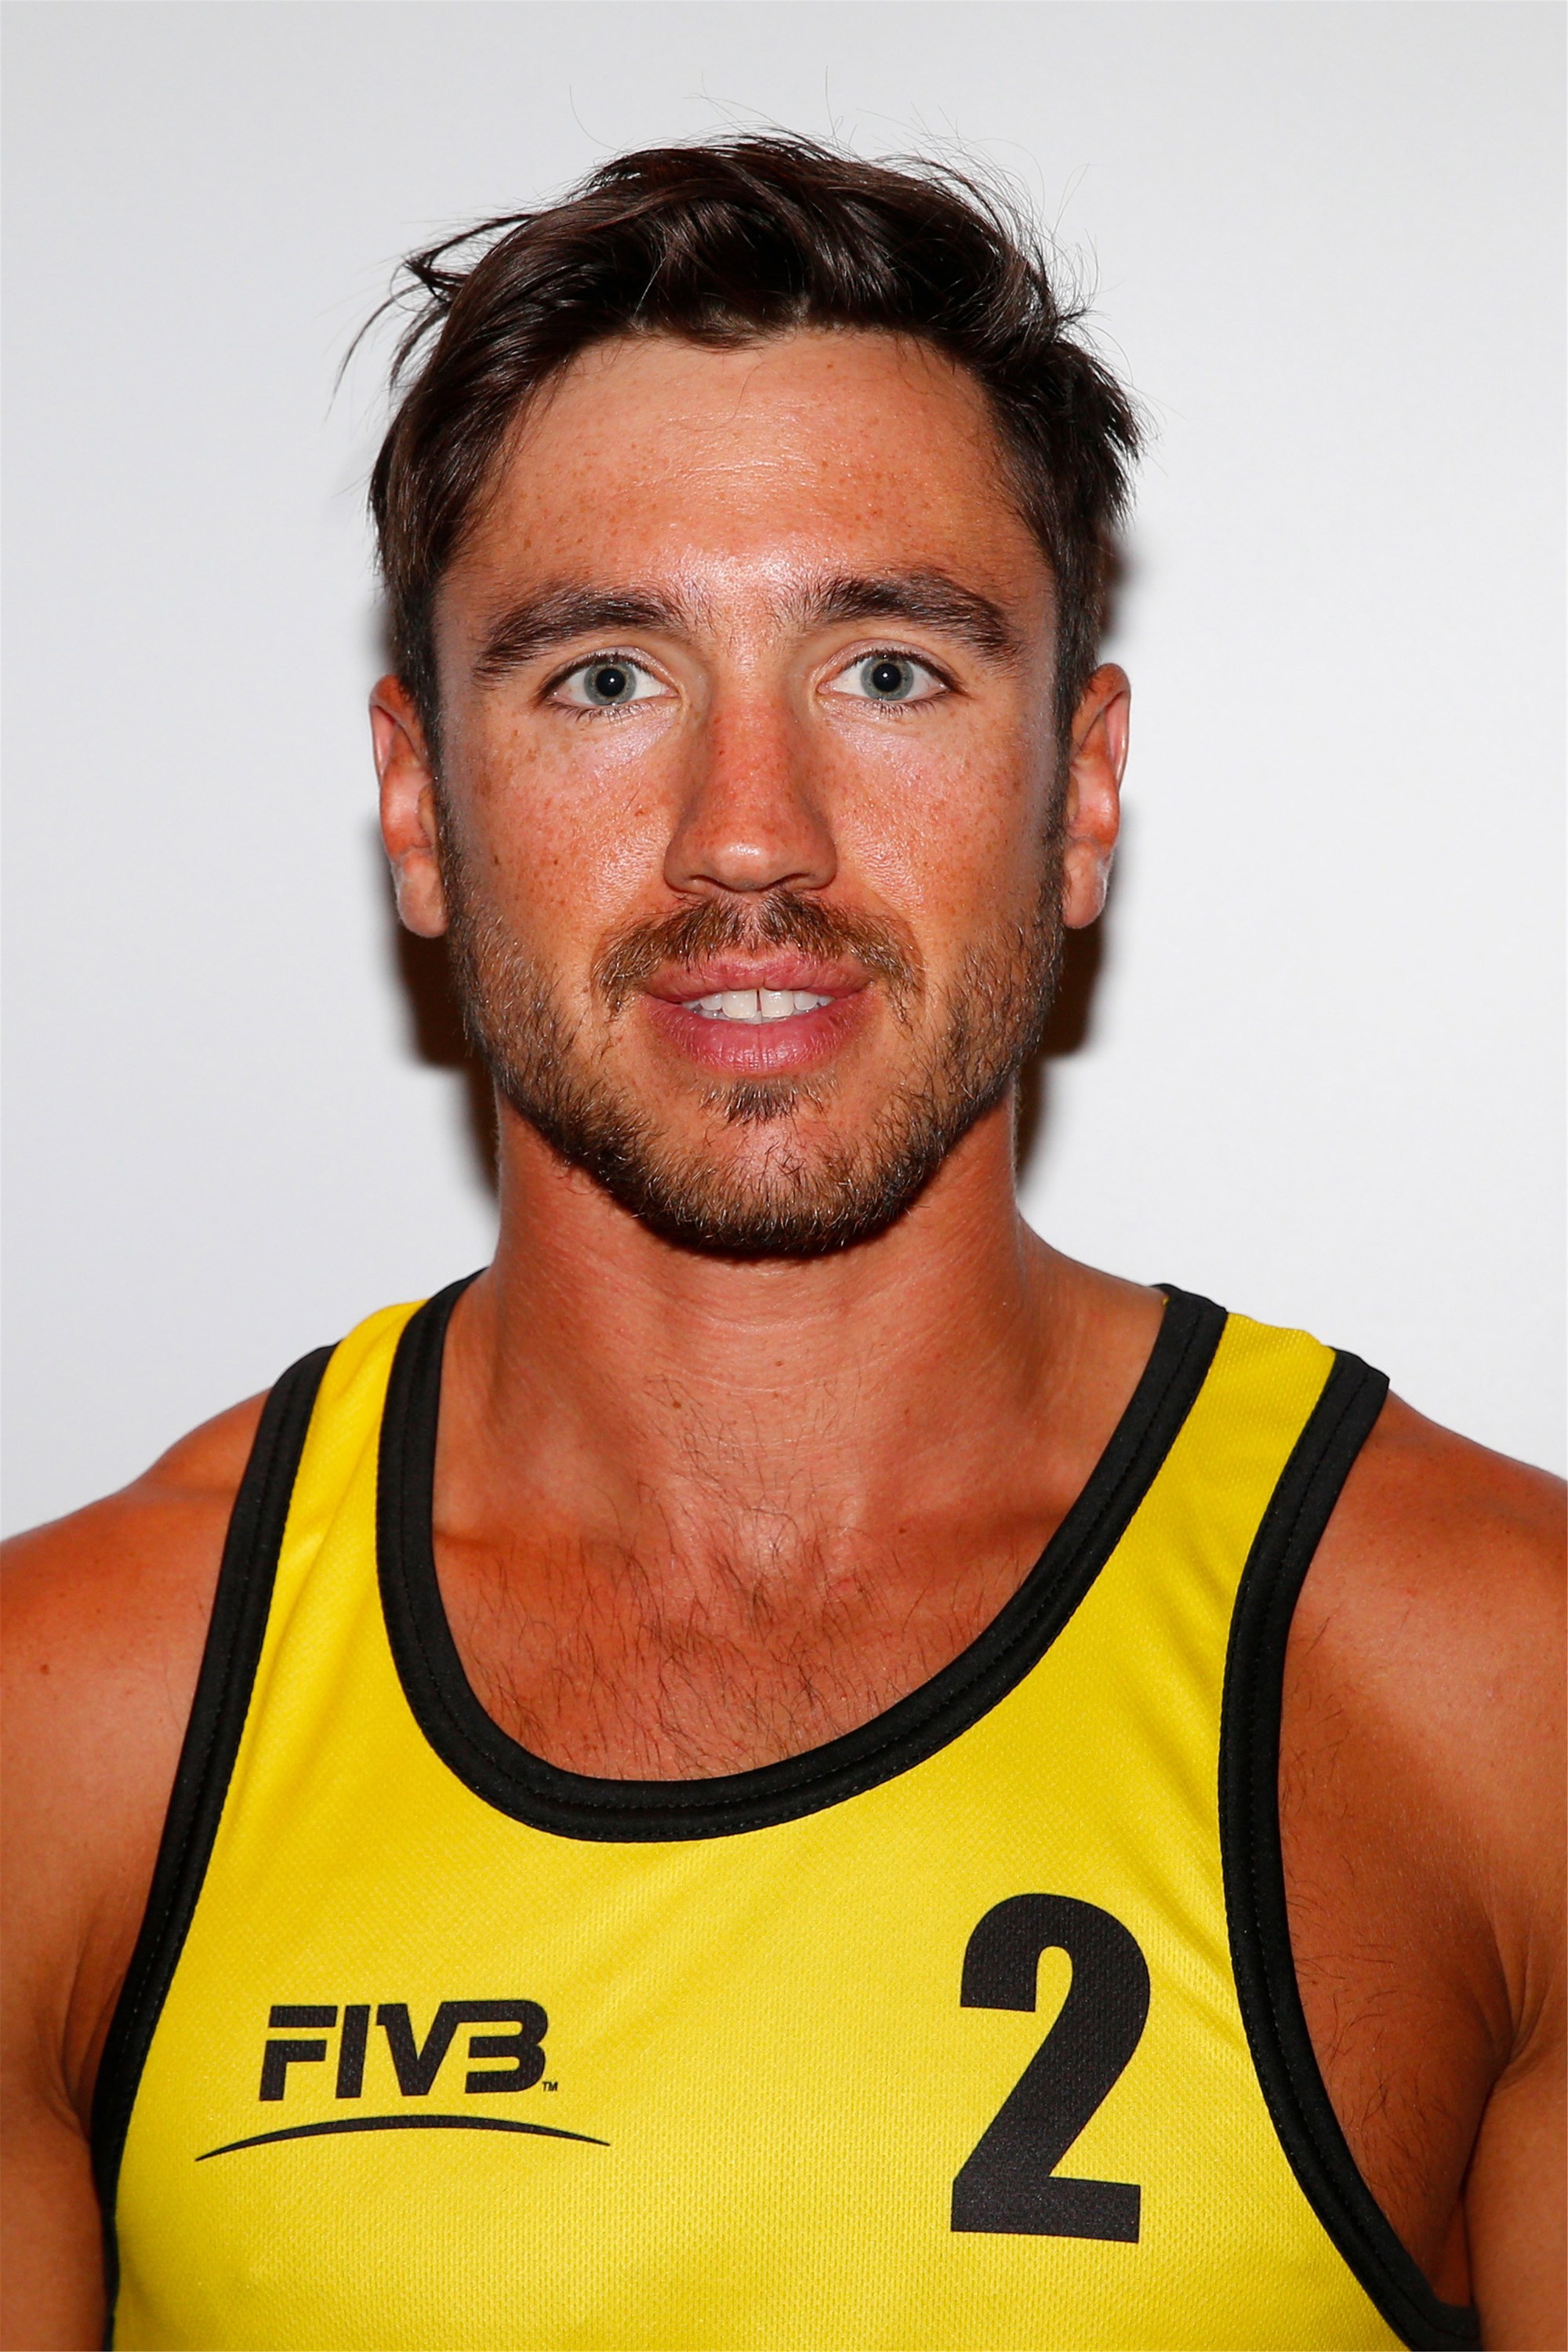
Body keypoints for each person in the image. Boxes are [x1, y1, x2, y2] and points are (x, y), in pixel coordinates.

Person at [2, 134, 1561, 2352]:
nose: (751, 838)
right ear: (420, 804)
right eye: (606, 678)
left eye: (889, 671)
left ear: (1083, 786)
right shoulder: (69, 1729)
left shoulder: (1502, 1694)